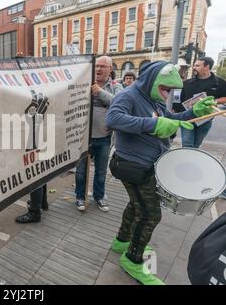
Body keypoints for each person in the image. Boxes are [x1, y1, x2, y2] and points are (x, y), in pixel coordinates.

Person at [106, 61, 216, 284]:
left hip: (145, 164)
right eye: (166, 88)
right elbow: (113, 119)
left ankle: (122, 240)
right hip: (133, 166)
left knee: (136, 204)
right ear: (152, 79)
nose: (168, 93)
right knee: (150, 214)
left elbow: (171, 119)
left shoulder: (153, 98)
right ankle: (133, 260)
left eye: (171, 90)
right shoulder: (128, 95)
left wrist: (193, 112)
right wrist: (153, 125)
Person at [75, 55, 122, 212]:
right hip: (83, 137)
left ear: (110, 69)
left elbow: (120, 104)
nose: (99, 69)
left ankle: (99, 196)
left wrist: (100, 92)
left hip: (104, 137)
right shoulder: (83, 82)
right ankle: (80, 197)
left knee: (101, 171)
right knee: (81, 171)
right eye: (97, 66)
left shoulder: (116, 86)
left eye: (103, 66)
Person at [173, 57, 226, 148]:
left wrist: (213, 101)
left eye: (197, 65)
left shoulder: (220, 82)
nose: (194, 67)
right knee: (187, 145)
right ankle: (185, 160)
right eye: (194, 65)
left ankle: (192, 160)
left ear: (207, 67)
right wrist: (175, 112)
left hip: (205, 119)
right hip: (188, 119)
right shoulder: (187, 83)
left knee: (196, 145)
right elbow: (177, 100)